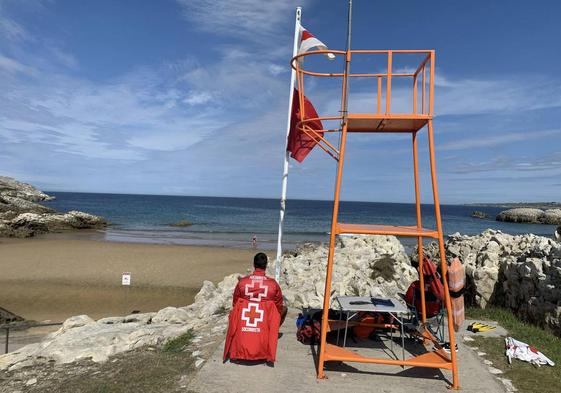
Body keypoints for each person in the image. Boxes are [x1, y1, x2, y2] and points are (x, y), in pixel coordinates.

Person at [223, 253, 287, 364]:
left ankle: (239, 349)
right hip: (264, 315)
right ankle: (266, 344)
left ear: (253, 264)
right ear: (266, 265)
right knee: (281, 310)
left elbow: (235, 302)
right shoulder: (272, 284)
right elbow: (278, 304)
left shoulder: (242, 282)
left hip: (245, 313)